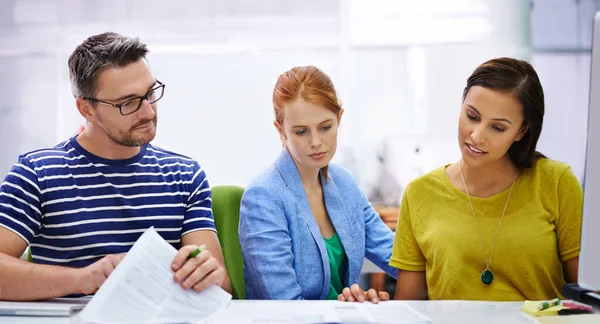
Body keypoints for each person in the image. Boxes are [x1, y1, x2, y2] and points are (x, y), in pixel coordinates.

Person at [0, 32, 231, 301]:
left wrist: (210, 276)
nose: (148, 112)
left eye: (150, 93)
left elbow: (221, 291)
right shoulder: (37, 173)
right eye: (128, 103)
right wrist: (83, 278)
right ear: (86, 110)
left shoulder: (185, 175)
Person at [391, 57, 582, 301]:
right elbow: (409, 308)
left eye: (498, 128)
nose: (477, 136)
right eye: (472, 116)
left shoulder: (556, 182)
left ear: (521, 131)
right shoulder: (420, 193)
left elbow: (588, 297)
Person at [239, 66, 397, 303]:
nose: (316, 142)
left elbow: (396, 256)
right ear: (280, 130)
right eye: (301, 132)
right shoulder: (263, 197)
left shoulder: (344, 183)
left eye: (325, 127)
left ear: (339, 119)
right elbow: (286, 305)